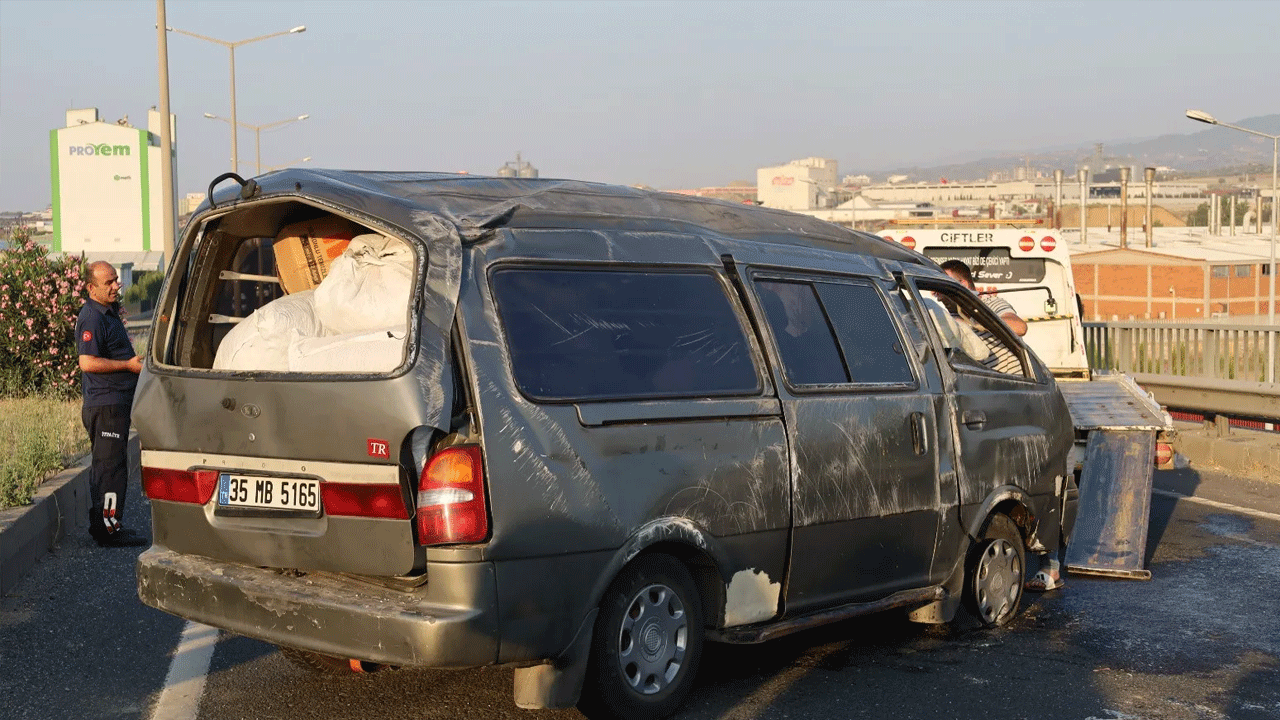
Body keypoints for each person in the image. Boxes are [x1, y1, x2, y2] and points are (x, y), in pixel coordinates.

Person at [76, 261, 147, 548]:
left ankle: (103, 527)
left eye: (116, 280)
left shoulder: (108, 313)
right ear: (92, 288)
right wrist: (127, 366)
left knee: (109, 468)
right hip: (105, 406)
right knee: (110, 472)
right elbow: (87, 362)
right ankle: (110, 531)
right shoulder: (92, 317)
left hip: (113, 405)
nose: (116, 286)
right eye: (109, 283)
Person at [939, 259, 1028, 337]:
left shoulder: (989, 303)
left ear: (963, 285)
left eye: (946, 286)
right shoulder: (953, 315)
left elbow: (1020, 328)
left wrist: (977, 323)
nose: (939, 296)